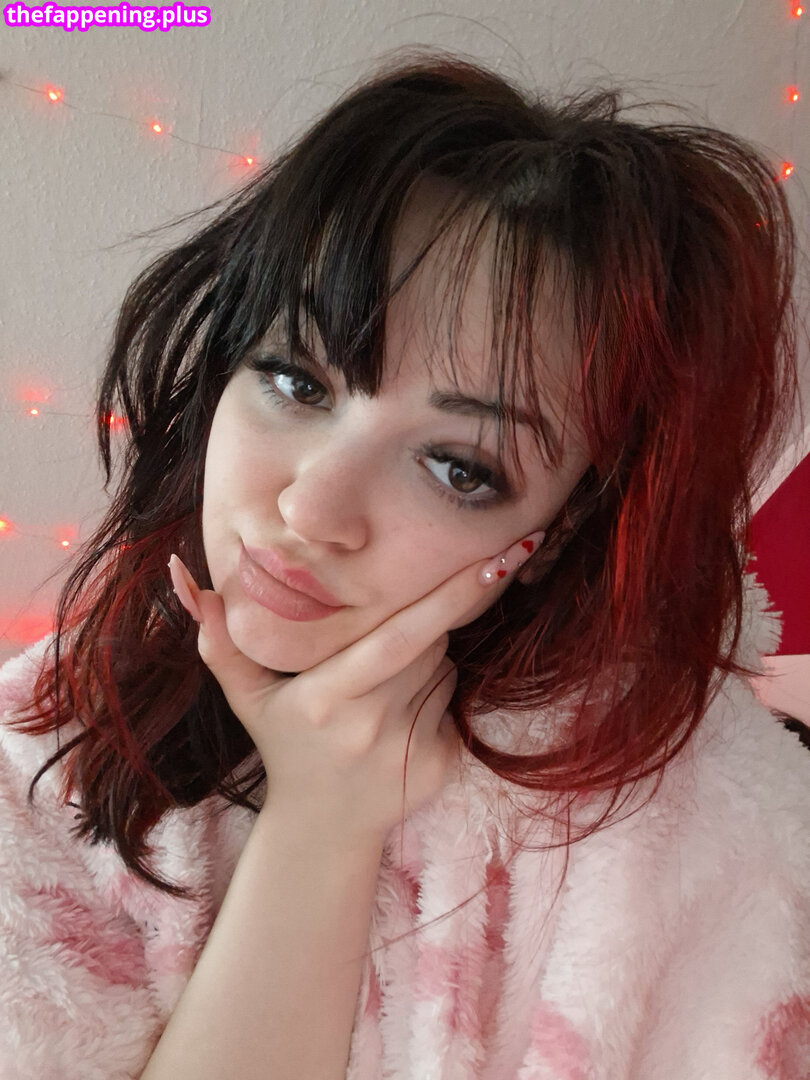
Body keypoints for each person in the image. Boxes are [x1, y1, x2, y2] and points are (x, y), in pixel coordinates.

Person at [1, 47, 808, 1080]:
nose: (310, 510)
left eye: (458, 467)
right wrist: (322, 820)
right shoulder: (38, 760)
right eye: (297, 380)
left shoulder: (697, 834)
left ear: (557, 532)